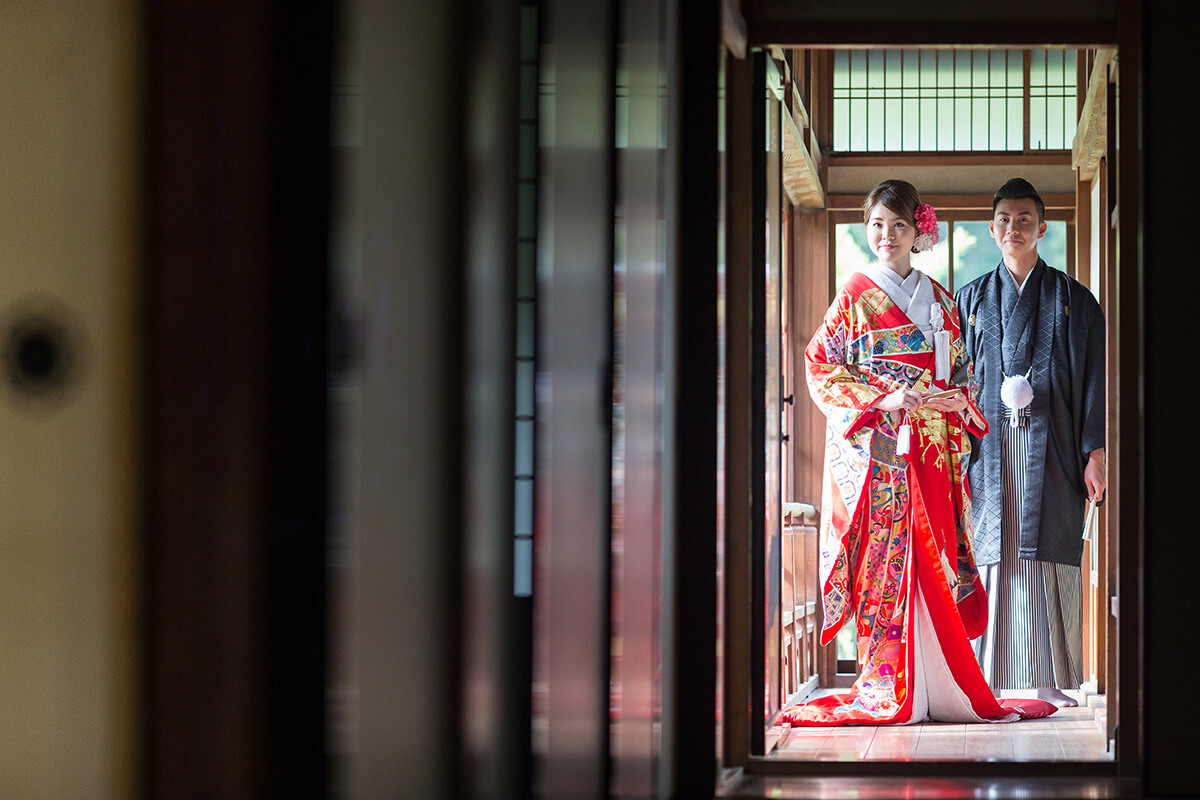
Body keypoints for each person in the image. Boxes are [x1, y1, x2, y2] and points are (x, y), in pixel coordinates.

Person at [782, 180, 1054, 725]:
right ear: (868, 229)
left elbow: (964, 372)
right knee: (886, 564)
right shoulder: (853, 297)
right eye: (878, 225)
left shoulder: (940, 297)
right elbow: (820, 366)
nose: (888, 235)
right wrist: (887, 395)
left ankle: (942, 681)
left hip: (930, 451)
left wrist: (955, 397)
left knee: (936, 563)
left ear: (917, 230)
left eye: (899, 225)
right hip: (879, 451)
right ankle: (889, 684)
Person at [955, 177, 1107, 708]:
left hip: (1056, 448)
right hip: (989, 448)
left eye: (1024, 220)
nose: (1013, 228)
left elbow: (1093, 378)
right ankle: (986, 677)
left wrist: (1096, 451)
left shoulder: (1073, 300)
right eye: (1004, 219)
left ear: (1042, 228)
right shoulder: (970, 299)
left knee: (1049, 553)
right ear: (992, 228)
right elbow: (954, 377)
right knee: (992, 554)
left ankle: (1049, 678)